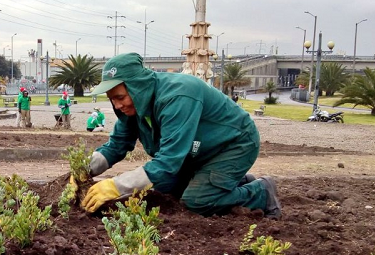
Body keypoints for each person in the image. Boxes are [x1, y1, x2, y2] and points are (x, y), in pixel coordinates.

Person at [81, 53, 281, 219]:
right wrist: (82, 171)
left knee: (197, 201)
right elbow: (116, 145)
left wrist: (115, 186)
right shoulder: (133, 108)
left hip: (233, 144)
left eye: (120, 97)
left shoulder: (177, 96)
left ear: (137, 87)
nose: (117, 105)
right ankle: (233, 182)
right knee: (161, 189)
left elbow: (168, 162)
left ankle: (261, 192)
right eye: (112, 99)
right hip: (196, 152)